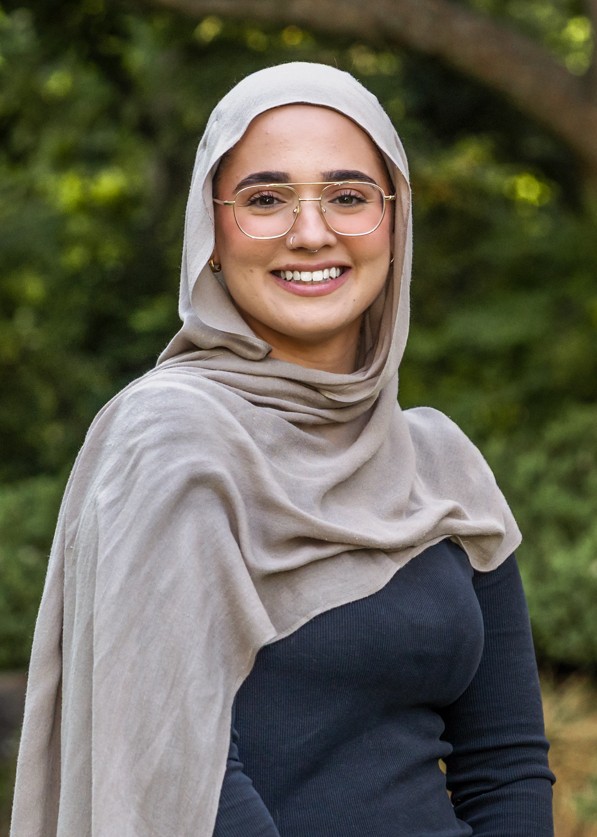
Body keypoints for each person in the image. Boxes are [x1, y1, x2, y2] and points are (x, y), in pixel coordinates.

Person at [10, 62, 554, 836]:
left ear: (393, 225)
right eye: (265, 199)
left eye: (347, 196)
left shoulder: (441, 465)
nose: (310, 230)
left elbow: (504, 764)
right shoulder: (169, 441)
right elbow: (179, 771)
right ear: (210, 230)